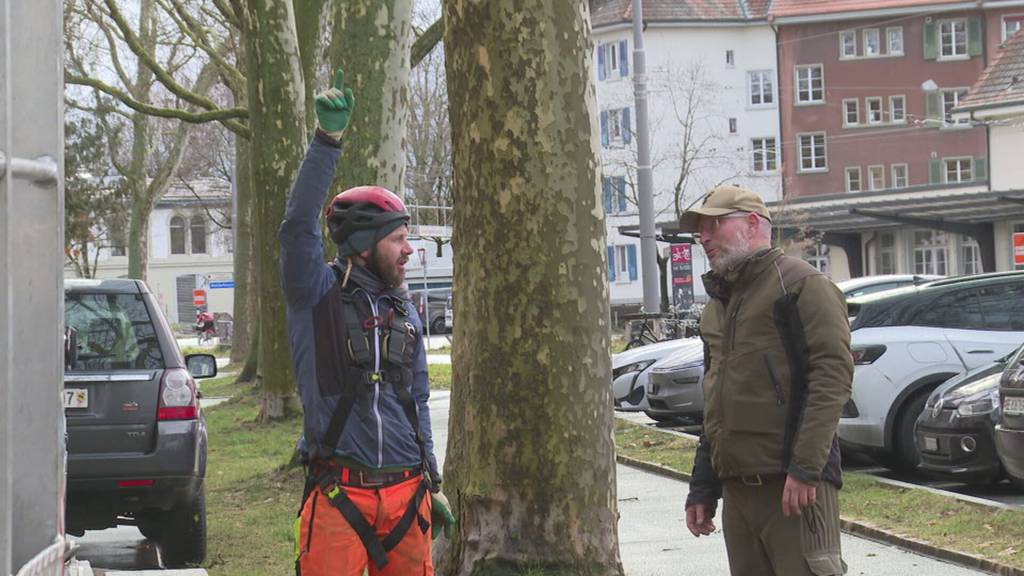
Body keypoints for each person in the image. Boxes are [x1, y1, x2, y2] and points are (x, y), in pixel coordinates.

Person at [279, 68, 454, 576]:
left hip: (407, 496)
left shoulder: (404, 309)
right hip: (339, 494)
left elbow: (417, 398)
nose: (409, 250)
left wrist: (432, 480)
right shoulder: (316, 295)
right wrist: (325, 143)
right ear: (363, 243)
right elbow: (296, 230)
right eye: (399, 239)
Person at [678, 185, 853, 576]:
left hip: (794, 487)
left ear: (753, 223)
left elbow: (832, 378)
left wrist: (806, 468)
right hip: (738, 492)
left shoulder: (802, 286)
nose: (704, 237)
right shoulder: (719, 305)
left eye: (715, 224)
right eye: (700, 230)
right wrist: (703, 486)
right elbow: (716, 401)